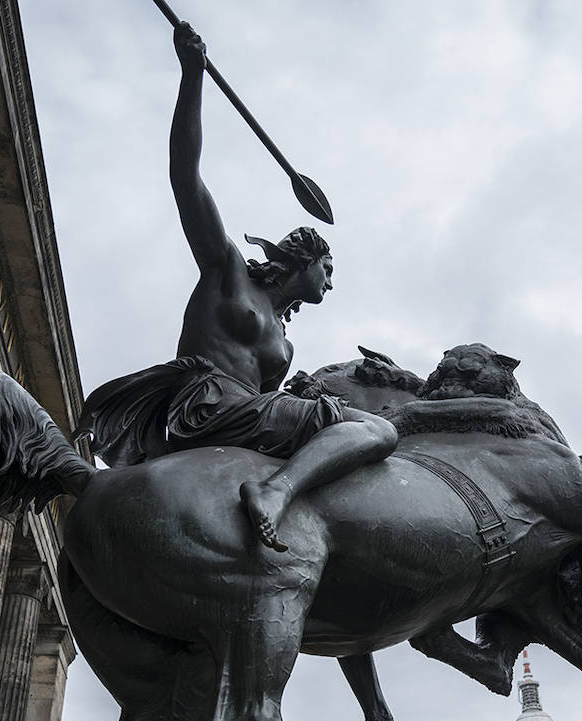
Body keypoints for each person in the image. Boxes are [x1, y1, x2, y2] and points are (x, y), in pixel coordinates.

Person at [78, 22, 396, 551]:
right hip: (203, 400)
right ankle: (276, 493)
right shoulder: (226, 270)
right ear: (305, 258)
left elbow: (270, 413)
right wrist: (192, 77)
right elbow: (185, 175)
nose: (332, 284)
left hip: (241, 421)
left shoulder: (286, 343)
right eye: (329, 269)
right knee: (377, 431)